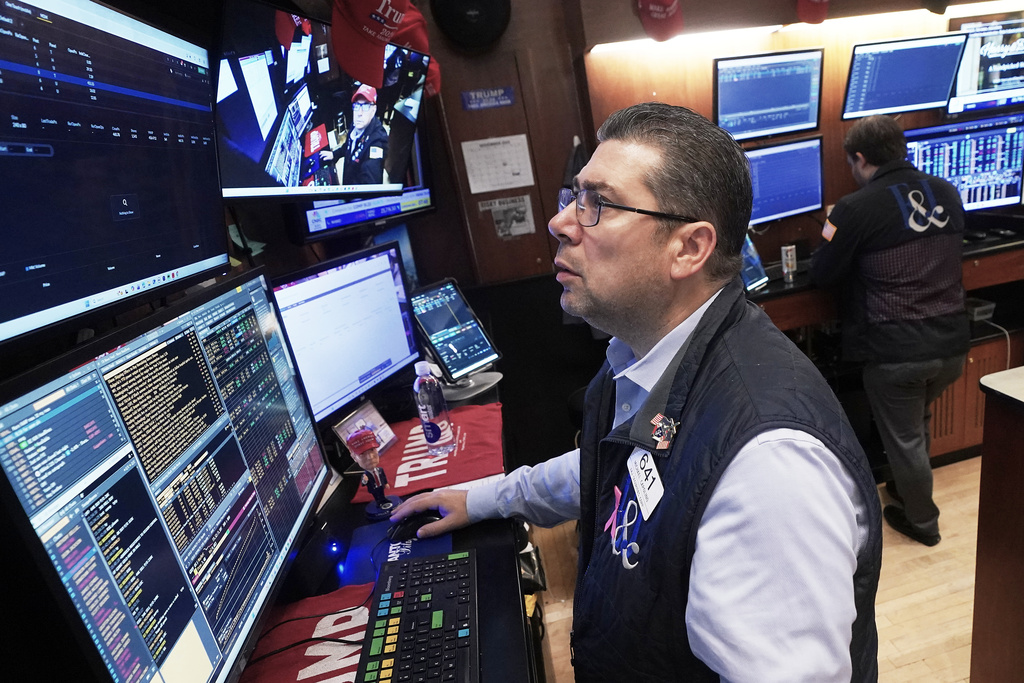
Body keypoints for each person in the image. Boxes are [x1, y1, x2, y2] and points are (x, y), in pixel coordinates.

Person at [391, 102, 883, 681]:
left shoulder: (768, 466)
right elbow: (619, 465)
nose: (562, 222)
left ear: (689, 248)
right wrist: (488, 499)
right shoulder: (645, 354)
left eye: (597, 204)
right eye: (573, 197)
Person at [810, 115, 968, 548]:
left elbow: (824, 274)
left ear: (859, 159)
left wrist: (831, 231)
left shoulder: (855, 209)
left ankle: (923, 522)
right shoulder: (948, 192)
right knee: (915, 423)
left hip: (897, 353)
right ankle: (905, 485)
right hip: (953, 347)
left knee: (906, 438)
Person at [321, 84, 389, 185]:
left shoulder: (377, 141)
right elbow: (348, 146)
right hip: (348, 182)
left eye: (365, 106)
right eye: (356, 106)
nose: (359, 113)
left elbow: (370, 184)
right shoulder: (357, 124)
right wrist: (334, 154)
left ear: (373, 110)